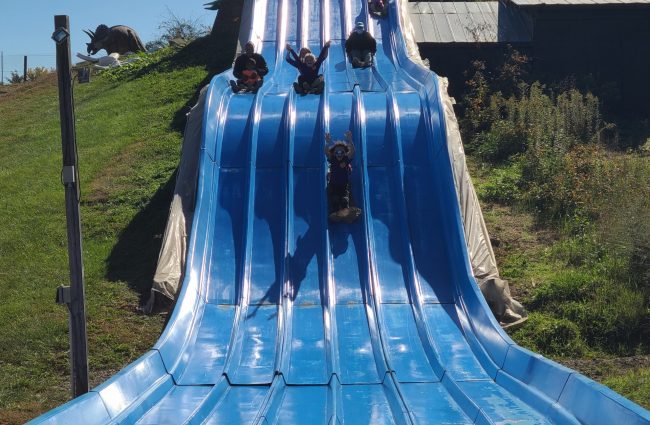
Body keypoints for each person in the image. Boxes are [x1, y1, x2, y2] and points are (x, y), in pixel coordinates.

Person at [324, 131, 362, 222]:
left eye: (341, 152)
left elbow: (352, 151)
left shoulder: (346, 159)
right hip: (333, 185)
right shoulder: (332, 159)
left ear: (344, 153)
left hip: (344, 185)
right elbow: (326, 152)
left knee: (344, 199)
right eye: (337, 152)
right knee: (335, 199)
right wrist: (328, 142)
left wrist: (349, 140)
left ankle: (346, 211)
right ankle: (335, 213)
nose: (339, 154)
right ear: (334, 153)